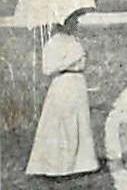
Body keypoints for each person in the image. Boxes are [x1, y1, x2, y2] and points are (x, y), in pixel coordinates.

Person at [26, 11, 100, 177]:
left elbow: (82, 62)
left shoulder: (74, 40)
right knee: (63, 123)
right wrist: (72, 59)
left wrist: (79, 59)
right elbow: (48, 69)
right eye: (74, 21)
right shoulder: (53, 43)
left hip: (78, 84)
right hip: (63, 84)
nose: (77, 24)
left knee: (79, 122)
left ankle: (81, 163)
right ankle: (58, 165)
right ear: (64, 22)